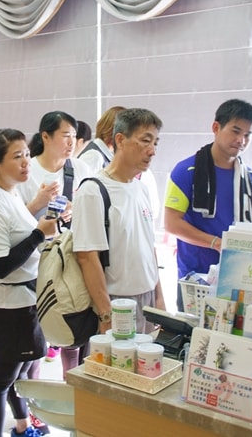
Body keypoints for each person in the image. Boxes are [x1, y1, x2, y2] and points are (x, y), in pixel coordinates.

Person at [0, 128, 57, 437]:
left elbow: (15, 234)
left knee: (19, 371)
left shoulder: (9, 192)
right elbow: (0, 266)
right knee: (2, 379)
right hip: (8, 306)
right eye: (17, 157)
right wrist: (39, 234)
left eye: (27, 155)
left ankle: (22, 425)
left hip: (23, 299)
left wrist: (42, 223)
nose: (26, 162)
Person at [74, 108, 166, 335]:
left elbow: (149, 248)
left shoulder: (141, 188)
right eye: (146, 141)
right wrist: (106, 314)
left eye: (156, 143)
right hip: (116, 302)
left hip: (148, 299)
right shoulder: (93, 190)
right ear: (120, 140)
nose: (152, 150)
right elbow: (87, 257)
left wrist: (160, 297)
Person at [163, 99, 252, 309]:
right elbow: (171, 223)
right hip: (195, 279)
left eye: (247, 135)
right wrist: (216, 243)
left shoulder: (250, 178)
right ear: (216, 128)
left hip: (238, 278)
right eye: (236, 131)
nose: (241, 140)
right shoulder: (185, 171)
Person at [15, 111, 92, 377]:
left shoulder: (80, 169)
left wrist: (74, 209)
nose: (71, 142)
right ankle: (32, 394)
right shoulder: (26, 170)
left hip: (70, 260)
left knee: (73, 326)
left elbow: (93, 211)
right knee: (36, 335)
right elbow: (12, 222)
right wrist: (38, 203)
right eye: (65, 135)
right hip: (34, 263)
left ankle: (73, 387)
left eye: (74, 136)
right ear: (45, 137)